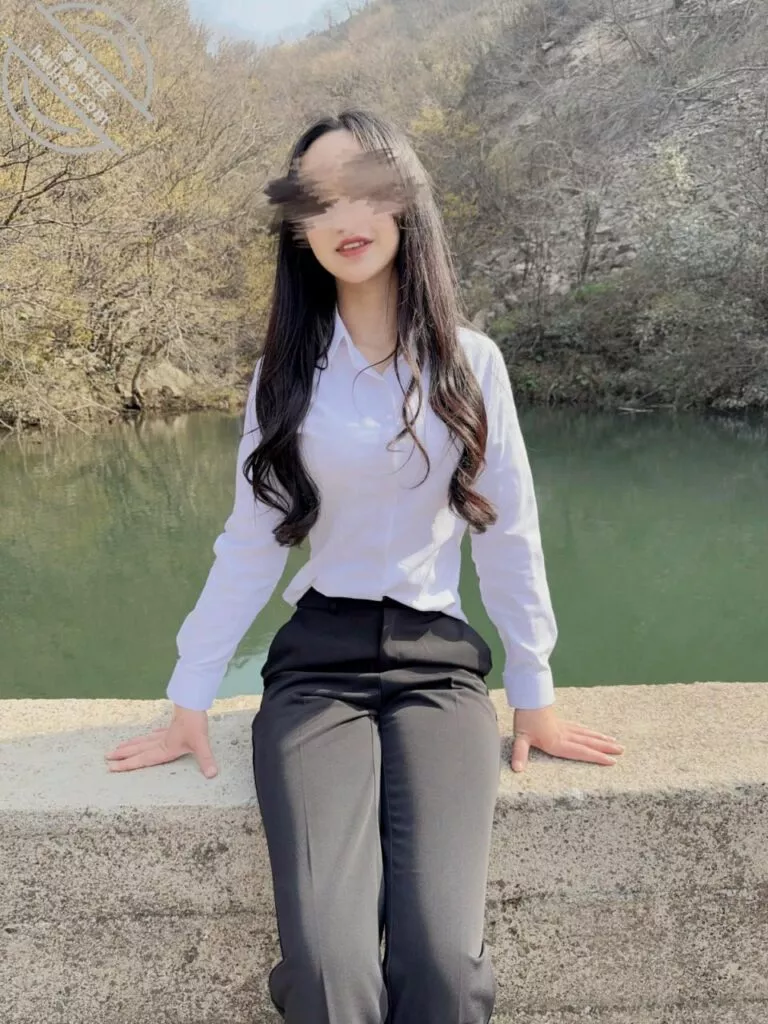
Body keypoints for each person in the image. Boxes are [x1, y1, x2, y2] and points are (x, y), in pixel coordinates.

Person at [105, 107, 624, 1024]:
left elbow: (508, 532)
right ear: (298, 228)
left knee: (441, 964)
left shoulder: (472, 364)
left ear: (406, 202)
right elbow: (251, 540)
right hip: (317, 671)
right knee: (329, 967)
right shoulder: (283, 375)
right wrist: (189, 691)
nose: (345, 216)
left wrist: (533, 684)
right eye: (319, 199)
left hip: (438, 669)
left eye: (367, 190)